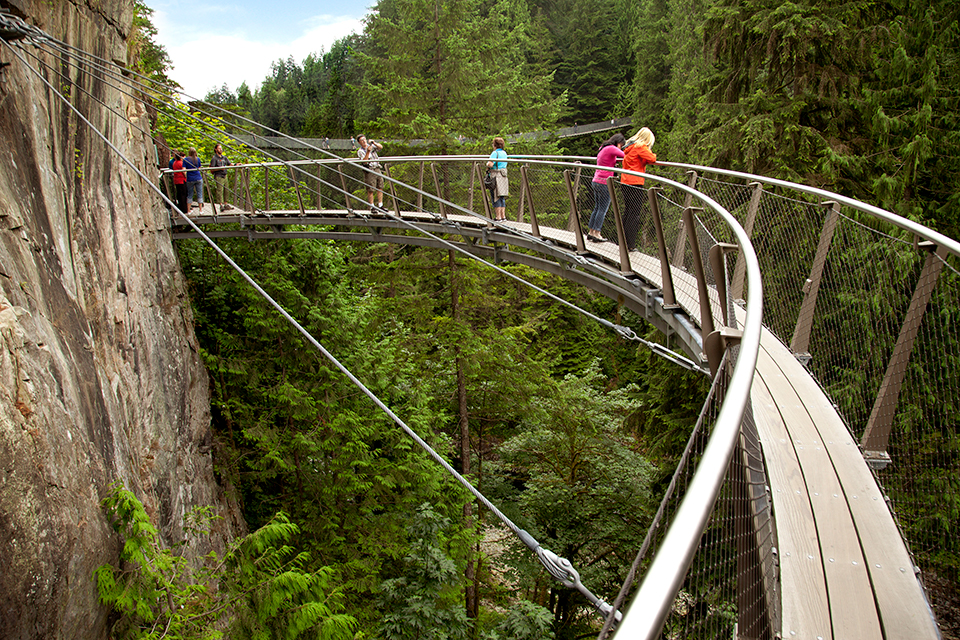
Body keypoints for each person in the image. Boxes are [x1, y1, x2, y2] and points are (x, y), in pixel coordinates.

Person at [620, 128, 657, 251]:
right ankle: (630, 244)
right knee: (634, 214)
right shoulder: (640, 147)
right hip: (635, 183)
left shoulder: (630, 147)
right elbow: (652, 158)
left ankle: (623, 241)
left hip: (625, 181)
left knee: (628, 211)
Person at [587, 133, 626, 242]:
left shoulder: (602, 148)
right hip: (604, 181)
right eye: (621, 145)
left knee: (597, 207)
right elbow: (625, 156)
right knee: (603, 209)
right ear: (618, 143)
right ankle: (597, 233)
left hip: (596, 180)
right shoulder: (612, 148)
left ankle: (591, 231)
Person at [357, 134, 385, 211]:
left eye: (364, 139)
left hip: (377, 168)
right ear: (359, 143)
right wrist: (368, 152)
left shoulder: (371, 146)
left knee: (380, 187)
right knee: (370, 189)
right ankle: (372, 206)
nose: (364, 141)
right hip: (370, 170)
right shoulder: (360, 151)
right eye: (361, 140)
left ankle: (380, 205)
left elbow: (380, 147)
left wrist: (374, 143)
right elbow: (364, 162)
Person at [486, 137, 509, 221]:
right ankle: (503, 216)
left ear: (494, 145)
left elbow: (490, 164)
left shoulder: (495, 153)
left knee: (495, 196)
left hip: (496, 175)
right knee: (502, 196)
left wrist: (487, 163)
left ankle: (498, 217)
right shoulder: (504, 153)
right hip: (503, 175)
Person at [209, 144, 232, 211]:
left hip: (225, 175)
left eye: (221, 148)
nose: (221, 150)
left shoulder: (224, 157)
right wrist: (219, 168)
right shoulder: (214, 158)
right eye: (219, 148)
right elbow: (212, 168)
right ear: (216, 149)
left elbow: (229, 164)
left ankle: (226, 204)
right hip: (219, 176)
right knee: (220, 190)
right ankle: (221, 205)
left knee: (226, 190)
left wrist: (236, 164)